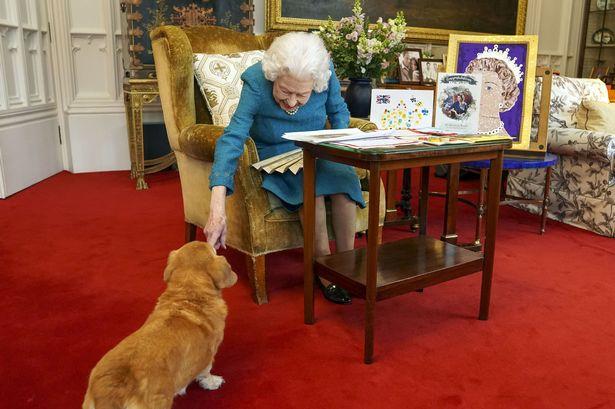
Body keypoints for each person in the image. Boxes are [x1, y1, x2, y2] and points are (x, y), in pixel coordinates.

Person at [205, 32, 364, 304]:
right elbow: (233, 136)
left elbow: (338, 113)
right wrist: (217, 203)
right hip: (275, 152)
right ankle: (324, 270)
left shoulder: (325, 73)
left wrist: (340, 147)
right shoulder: (256, 80)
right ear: (273, 76)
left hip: (317, 148)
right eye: (284, 91)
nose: (292, 102)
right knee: (310, 192)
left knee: (344, 187)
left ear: (315, 82)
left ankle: (346, 266)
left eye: (301, 94)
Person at [465, 57, 520, 136]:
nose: (478, 94)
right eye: (474, 86)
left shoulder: (502, 139)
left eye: (488, 88)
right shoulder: (457, 132)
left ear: (504, 95)